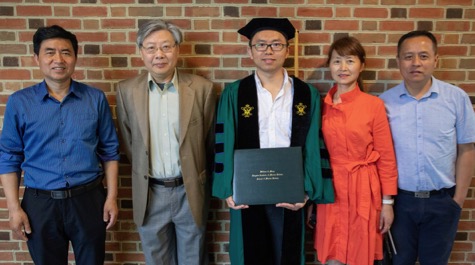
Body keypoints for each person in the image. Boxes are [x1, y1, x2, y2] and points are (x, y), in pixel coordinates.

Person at [212, 18, 334, 265]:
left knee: (286, 254)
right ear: (250, 51)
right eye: (261, 45)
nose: (269, 51)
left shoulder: (305, 94)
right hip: (247, 193)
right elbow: (223, 144)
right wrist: (228, 188)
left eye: (276, 44)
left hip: (290, 193)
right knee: (250, 254)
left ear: (287, 50)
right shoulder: (235, 93)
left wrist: (307, 189)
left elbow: (313, 144)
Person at [0, 25, 120, 265]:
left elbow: (110, 151)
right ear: (37, 58)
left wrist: (112, 197)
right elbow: (9, 156)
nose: (58, 59)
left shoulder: (94, 99)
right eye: (50, 52)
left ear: (75, 58)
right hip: (40, 204)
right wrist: (14, 208)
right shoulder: (20, 102)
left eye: (66, 52)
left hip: (88, 199)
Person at [115, 19, 216, 265]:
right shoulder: (126, 90)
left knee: (193, 259)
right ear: (141, 52)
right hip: (150, 194)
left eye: (166, 47)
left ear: (177, 50)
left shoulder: (202, 89)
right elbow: (129, 143)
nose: (159, 54)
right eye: (150, 48)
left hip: (189, 191)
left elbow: (210, 142)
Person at [379, 30, 475, 265]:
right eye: (408, 56)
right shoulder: (384, 103)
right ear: (398, 61)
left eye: (423, 56)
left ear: (435, 60)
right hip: (400, 203)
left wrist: (458, 200)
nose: (416, 63)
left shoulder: (456, 98)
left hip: (442, 202)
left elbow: (467, 149)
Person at [314, 36, 398, 265]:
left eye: (349, 61)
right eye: (336, 61)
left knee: (361, 253)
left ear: (362, 65)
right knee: (333, 253)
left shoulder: (373, 105)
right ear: (329, 66)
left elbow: (387, 157)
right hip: (331, 189)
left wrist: (388, 203)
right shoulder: (321, 106)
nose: (343, 68)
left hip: (364, 189)